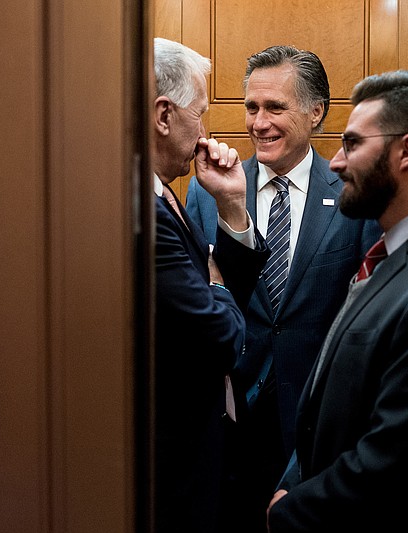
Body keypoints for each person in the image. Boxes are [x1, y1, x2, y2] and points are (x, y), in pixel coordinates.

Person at [185, 45, 382, 532]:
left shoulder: (352, 193)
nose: (259, 123)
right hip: (230, 428)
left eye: (276, 108)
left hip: (314, 428)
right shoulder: (207, 190)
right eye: (252, 107)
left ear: (316, 112)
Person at [266, 70, 408, 533]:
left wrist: (290, 510)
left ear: (406, 151)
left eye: (353, 144)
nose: (335, 163)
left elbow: (390, 457)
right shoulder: (385, 260)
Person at [151, 37, 270, 533]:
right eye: (198, 114)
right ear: (163, 115)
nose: (205, 131)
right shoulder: (145, 213)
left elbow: (220, 297)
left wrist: (231, 207)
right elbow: (220, 333)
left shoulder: (169, 196)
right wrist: (216, 282)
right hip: (175, 464)